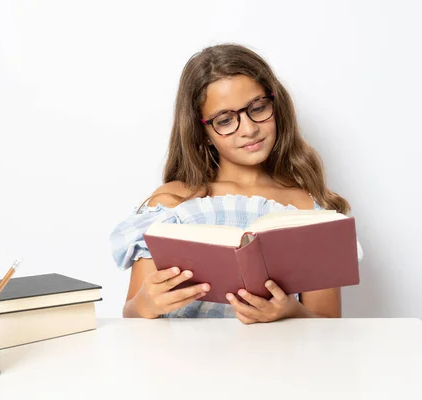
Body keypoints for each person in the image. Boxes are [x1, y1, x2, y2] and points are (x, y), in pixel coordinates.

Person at [109, 43, 363, 324]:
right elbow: (132, 316)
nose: (249, 128)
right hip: (184, 363)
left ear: (274, 104)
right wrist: (146, 303)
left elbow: (329, 324)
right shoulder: (171, 204)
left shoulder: (307, 209)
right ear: (203, 131)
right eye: (226, 120)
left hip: (279, 363)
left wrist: (289, 311)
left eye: (258, 107)